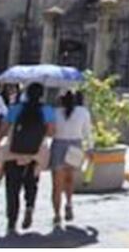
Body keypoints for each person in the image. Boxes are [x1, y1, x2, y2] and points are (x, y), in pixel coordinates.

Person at [0, 82, 55, 236]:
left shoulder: (16, 109)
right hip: (35, 153)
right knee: (31, 182)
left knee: (12, 187)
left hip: (14, 151)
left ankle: (11, 221)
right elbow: (51, 133)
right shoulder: (47, 110)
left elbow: (3, 131)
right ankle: (29, 205)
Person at [50, 90, 92, 226]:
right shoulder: (83, 112)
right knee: (69, 178)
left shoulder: (55, 112)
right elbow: (87, 132)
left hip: (58, 145)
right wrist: (90, 149)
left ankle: (57, 215)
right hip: (75, 145)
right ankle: (68, 203)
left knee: (56, 184)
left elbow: (51, 132)